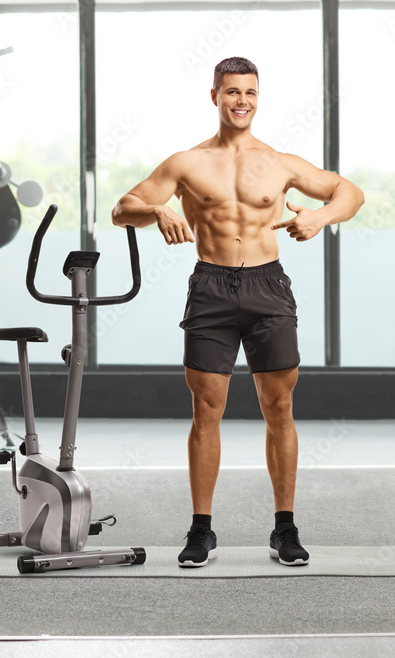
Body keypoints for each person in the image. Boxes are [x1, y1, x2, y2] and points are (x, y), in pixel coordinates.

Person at [110, 56, 364, 567]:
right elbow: (121, 209)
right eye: (231, 92)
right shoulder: (186, 162)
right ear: (214, 97)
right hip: (211, 288)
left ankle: (284, 528)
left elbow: (349, 192)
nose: (241, 101)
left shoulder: (281, 162)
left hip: (268, 285)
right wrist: (159, 209)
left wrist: (320, 216)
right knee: (206, 409)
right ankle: (202, 530)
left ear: (257, 98)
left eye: (249, 92)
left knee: (280, 408)